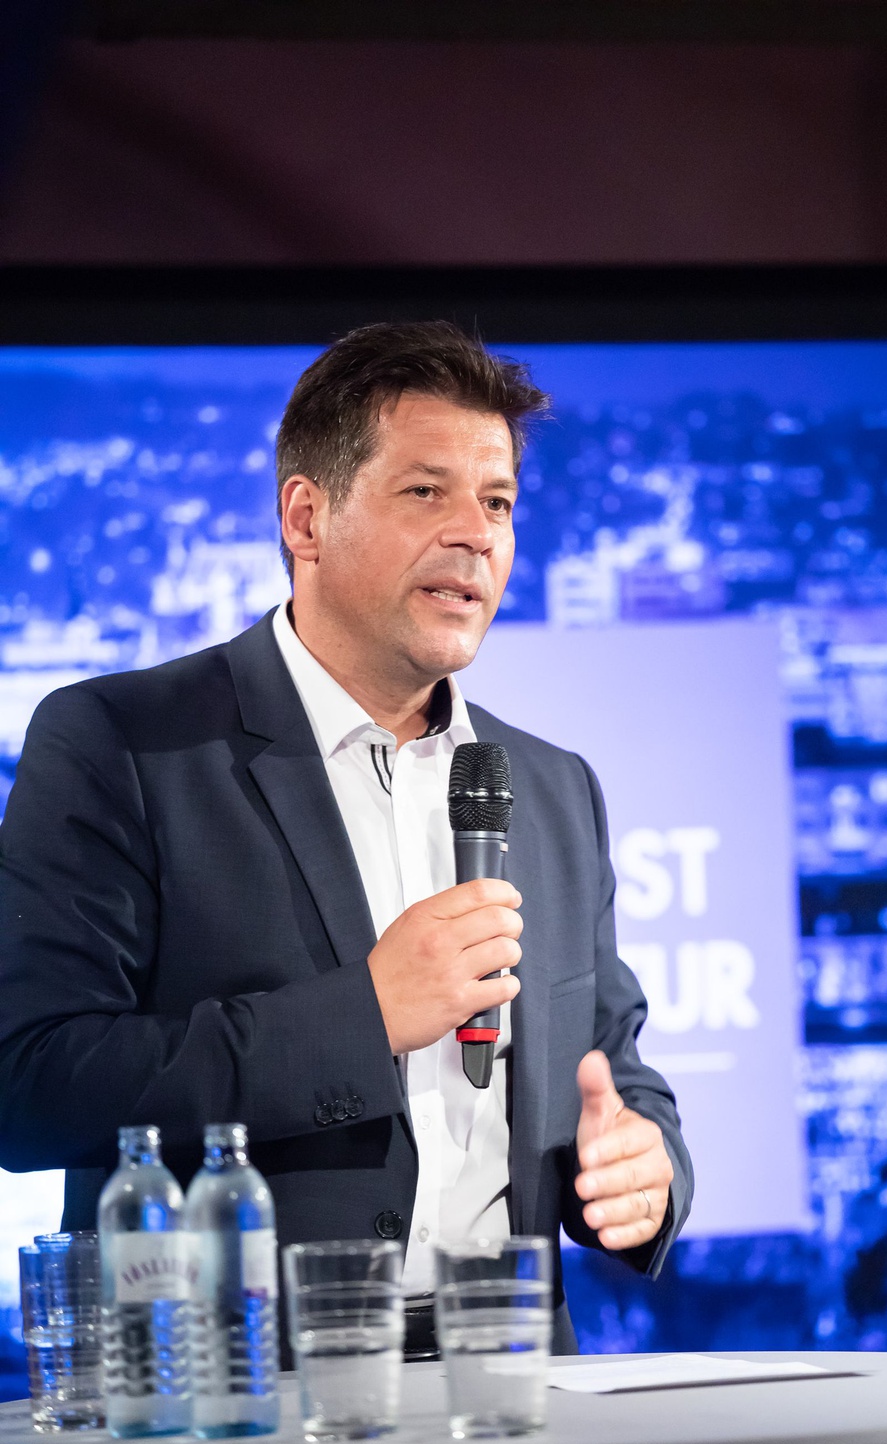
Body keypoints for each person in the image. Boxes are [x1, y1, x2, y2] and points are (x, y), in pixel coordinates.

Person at [0, 322, 693, 1356]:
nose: (474, 535)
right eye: (425, 492)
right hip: (238, 1393)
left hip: (513, 1384)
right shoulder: (125, 744)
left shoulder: (553, 788)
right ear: (306, 518)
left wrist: (642, 1169)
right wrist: (362, 1018)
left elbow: (613, 1068)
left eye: (497, 502)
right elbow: (31, 1084)